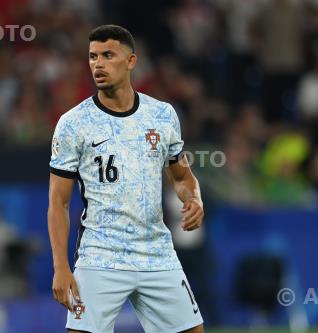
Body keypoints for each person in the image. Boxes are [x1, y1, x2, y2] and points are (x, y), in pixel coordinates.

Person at [48, 25, 205, 333]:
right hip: (100, 255)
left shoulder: (161, 116)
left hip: (156, 254)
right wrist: (60, 266)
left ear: (131, 61)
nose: (98, 64)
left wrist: (194, 198)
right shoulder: (73, 124)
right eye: (93, 57)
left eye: (108, 55)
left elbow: (182, 175)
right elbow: (58, 202)